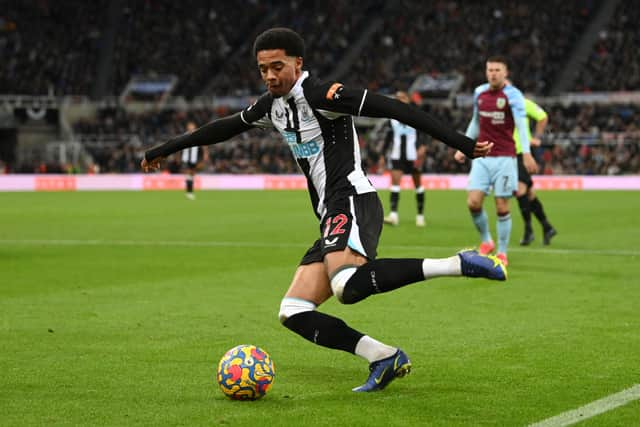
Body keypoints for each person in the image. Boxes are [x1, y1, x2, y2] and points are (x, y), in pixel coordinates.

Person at [142, 28, 506, 393]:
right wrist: (166, 148)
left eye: (277, 66)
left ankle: (458, 263)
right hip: (329, 214)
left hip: (351, 199)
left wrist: (461, 142)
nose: (269, 75)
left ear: (298, 63)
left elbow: (395, 108)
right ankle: (383, 356)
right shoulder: (273, 106)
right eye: (263, 69)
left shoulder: (323, 95)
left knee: (346, 285)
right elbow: (224, 128)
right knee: (294, 310)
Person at [454, 56, 538, 267]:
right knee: (473, 202)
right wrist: (464, 145)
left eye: (497, 70)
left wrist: (526, 153)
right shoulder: (479, 92)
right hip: (482, 157)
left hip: (505, 158)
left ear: (505, 72)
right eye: (489, 69)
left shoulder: (513, 95)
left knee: (502, 206)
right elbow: (475, 121)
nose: (492, 73)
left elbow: (521, 125)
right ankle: (486, 240)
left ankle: (502, 252)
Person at [512, 96, 557, 245]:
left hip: (522, 153)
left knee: (520, 190)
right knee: (529, 194)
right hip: (508, 154)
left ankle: (528, 230)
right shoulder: (497, 106)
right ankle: (547, 226)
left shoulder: (521, 102)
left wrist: (536, 137)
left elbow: (542, 116)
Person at [378, 91, 427, 227]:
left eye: (403, 98)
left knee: (418, 185)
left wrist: (423, 147)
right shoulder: (391, 119)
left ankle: (420, 216)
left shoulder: (415, 116)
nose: (400, 100)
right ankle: (393, 216)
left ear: (408, 100)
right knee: (394, 184)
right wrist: (382, 155)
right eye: (397, 98)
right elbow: (388, 139)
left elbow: (423, 133)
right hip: (397, 155)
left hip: (413, 156)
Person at [180, 121, 210, 200]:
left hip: (194, 159)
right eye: (189, 127)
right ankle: (189, 192)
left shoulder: (198, 134)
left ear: (194, 127)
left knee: (191, 175)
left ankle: (189, 191)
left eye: (192, 127)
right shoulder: (184, 135)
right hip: (186, 158)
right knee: (189, 174)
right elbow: (178, 146)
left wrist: (205, 154)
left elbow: (204, 145)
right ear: (187, 127)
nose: (191, 128)